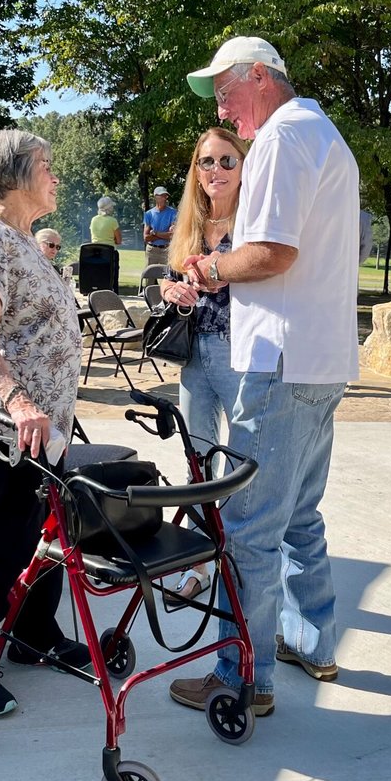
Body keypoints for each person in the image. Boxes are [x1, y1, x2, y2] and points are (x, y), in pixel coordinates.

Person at [169, 36, 359, 716]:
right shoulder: (322, 132)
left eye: (224, 88)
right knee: (299, 515)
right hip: (319, 360)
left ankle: (241, 678)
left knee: (247, 526)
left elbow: (274, 252)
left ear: (259, 76)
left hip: (279, 363)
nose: (220, 104)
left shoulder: (281, 138)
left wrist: (210, 268)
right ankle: (314, 641)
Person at [0, 128, 90, 717]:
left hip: (44, 425)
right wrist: (19, 400)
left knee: (46, 535)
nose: (55, 175)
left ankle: (34, 637)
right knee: (7, 544)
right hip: (14, 427)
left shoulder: (24, 239)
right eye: (47, 165)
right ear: (15, 176)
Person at [159, 127, 247, 603]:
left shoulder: (255, 221)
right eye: (207, 162)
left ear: (243, 166)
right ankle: (200, 564)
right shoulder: (189, 223)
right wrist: (172, 290)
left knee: (241, 465)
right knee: (198, 462)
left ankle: (236, 561)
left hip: (241, 353)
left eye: (227, 161)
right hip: (194, 353)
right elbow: (169, 283)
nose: (216, 170)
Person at [143, 187, 177, 265]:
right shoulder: (149, 214)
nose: (164, 199)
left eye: (165, 196)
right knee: (150, 275)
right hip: (151, 250)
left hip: (167, 250)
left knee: (167, 276)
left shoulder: (173, 213)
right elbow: (146, 237)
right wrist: (164, 235)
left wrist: (155, 233)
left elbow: (172, 235)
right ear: (155, 197)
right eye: (162, 196)